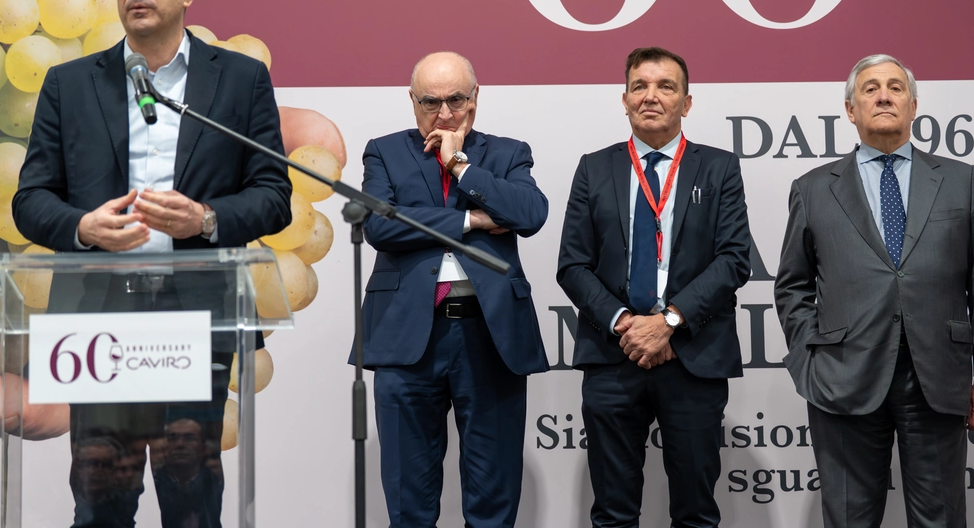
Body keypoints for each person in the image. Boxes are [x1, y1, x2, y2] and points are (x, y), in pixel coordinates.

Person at [13, 0, 291, 527]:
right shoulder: (69, 84)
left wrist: (206, 218)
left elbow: (274, 197)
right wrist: (83, 227)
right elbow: (30, 200)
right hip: (101, 317)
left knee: (191, 503)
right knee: (100, 503)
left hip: (196, 313)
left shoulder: (239, 79)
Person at [774, 54, 973, 528]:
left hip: (937, 378)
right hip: (842, 380)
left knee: (941, 519)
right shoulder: (813, 188)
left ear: (913, 106)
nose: (884, 96)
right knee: (849, 519)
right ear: (850, 109)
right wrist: (812, 362)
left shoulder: (963, 182)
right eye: (870, 89)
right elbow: (792, 286)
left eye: (895, 88)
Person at [557, 46, 751, 528]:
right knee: (613, 514)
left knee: (696, 514)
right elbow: (573, 265)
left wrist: (668, 323)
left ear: (687, 102)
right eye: (639, 86)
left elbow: (733, 260)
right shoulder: (594, 168)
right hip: (613, 356)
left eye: (666, 86)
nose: (651, 96)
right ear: (624, 100)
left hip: (693, 356)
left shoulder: (719, 167)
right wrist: (628, 325)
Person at [357, 51, 549, 528]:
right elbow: (380, 225)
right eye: (430, 102)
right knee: (409, 502)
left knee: (493, 500)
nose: (444, 114)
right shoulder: (384, 151)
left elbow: (530, 214)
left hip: (489, 337)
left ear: (476, 97)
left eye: (456, 100)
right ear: (412, 101)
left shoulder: (507, 153)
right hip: (406, 338)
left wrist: (461, 167)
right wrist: (471, 220)